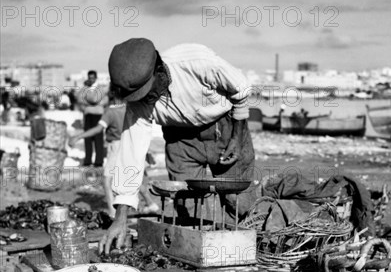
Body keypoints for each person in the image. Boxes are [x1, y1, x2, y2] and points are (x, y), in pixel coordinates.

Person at [99, 39, 254, 253]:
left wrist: (237, 137)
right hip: (179, 137)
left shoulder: (196, 62)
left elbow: (242, 89)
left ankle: (240, 251)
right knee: (188, 207)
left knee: (239, 201)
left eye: (147, 91)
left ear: (160, 70)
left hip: (225, 127)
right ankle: (202, 256)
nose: (146, 99)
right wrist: (120, 218)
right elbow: (130, 156)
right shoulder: (137, 105)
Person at [69, 89, 160, 218]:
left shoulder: (111, 112)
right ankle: (151, 204)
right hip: (131, 143)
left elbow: (98, 129)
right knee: (133, 178)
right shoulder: (130, 109)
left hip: (116, 146)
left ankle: (113, 212)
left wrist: (78, 137)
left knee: (107, 180)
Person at [77, 70, 108, 167]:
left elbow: (102, 100)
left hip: (98, 115)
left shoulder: (101, 89)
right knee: (87, 138)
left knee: (98, 138)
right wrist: (89, 103)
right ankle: (88, 160)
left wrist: (90, 102)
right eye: (89, 78)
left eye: (93, 78)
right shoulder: (85, 89)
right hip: (88, 115)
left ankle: (99, 161)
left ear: (96, 78)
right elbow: (79, 99)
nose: (91, 79)